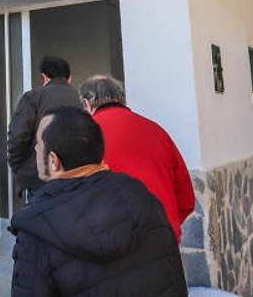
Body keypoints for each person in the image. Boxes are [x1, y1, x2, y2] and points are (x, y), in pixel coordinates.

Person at [9, 106, 187, 296]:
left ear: (54, 161)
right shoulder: (143, 198)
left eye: (38, 144)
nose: (35, 149)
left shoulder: (37, 232)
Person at [79, 75, 195, 243]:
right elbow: (186, 199)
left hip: (113, 243)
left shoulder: (84, 136)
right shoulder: (156, 131)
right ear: (122, 99)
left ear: (88, 103)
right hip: (162, 238)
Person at [7, 56, 81, 199]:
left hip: (41, 179)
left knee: (41, 219)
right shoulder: (82, 100)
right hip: (76, 178)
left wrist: (21, 169)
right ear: (69, 78)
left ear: (44, 77)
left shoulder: (32, 98)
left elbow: (17, 137)